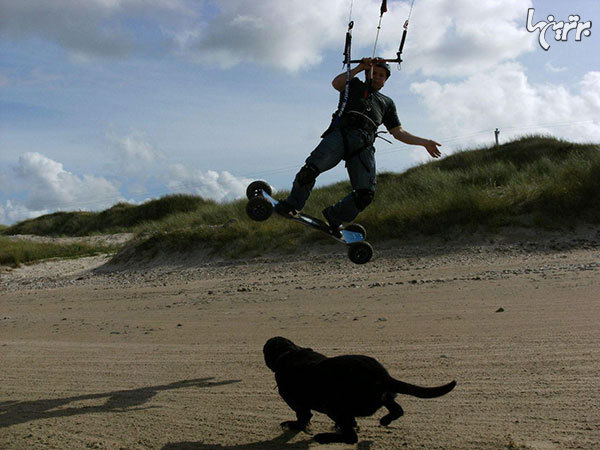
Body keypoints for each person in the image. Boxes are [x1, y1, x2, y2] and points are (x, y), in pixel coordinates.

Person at [275, 57, 442, 236]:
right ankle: (293, 204)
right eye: (374, 73)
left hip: (363, 145)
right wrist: (359, 67)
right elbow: (336, 83)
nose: (377, 77)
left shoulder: (386, 103)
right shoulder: (353, 84)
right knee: (310, 170)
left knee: (365, 193)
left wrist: (424, 142)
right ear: (366, 73)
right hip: (341, 135)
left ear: (386, 81)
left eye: (382, 76)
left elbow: (398, 132)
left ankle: (335, 216)